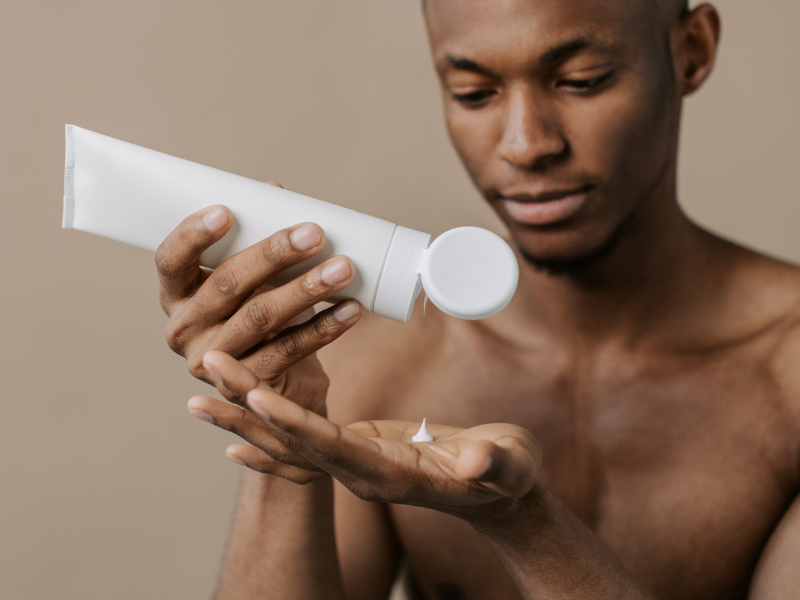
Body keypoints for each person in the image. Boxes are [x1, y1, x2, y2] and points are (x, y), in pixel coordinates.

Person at [154, 0, 800, 598]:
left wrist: (526, 524)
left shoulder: (788, 371)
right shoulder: (375, 358)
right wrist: (282, 445)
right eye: (474, 93)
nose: (523, 144)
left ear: (692, 50)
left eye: (582, 79)